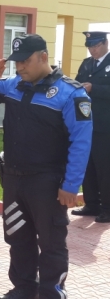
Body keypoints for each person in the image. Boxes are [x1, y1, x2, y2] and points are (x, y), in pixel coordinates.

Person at [0, 34, 92, 299]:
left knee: (51, 243)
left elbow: (81, 143)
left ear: (43, 57)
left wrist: (71, 186)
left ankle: (52, 292)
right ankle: (23, 289)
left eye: (25, 62)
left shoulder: (71, 94)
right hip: (14, 179)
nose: (19, 68)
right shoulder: (14, 85)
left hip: (48, 183)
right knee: (18, 238)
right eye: (16, 62)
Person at [71, 31, 110, 223]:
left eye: (96, 46)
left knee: (105, 168)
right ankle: (91, 204)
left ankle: (107, 208)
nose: (92, 50)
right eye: (90, 47)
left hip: (106, 125)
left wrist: (94, 88)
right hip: (86, 123)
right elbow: (78, 83)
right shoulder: (86, 63)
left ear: (105, 43)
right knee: (88, 165)